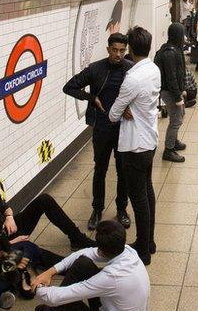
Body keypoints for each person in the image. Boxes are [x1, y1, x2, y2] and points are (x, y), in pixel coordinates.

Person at [7, 220, 149, 311]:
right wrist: (50, 272)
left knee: (65, 302)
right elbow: (83, 253)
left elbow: (54, 297)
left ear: (102, 250)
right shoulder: (128, 251)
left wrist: (33, 283)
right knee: (83, 263)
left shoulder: (112, 277)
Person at [64, 32, 133, 231]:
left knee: (123, 171)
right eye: (114, 50)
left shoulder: (130, 70)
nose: (118, 54)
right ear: (108, 49)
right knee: (100, 170)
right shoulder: (96, 69)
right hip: (102, 129)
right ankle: (97, 210)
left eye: (122, 51)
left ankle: (122, 209)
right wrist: (91, 98)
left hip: (123, 129)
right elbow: (69, 87)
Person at [0, 158, 95, 258]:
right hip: (0, 243)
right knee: (37, 253)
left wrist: (9, 217)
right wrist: (12, 242)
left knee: (44, 199)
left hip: (9, 229)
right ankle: (71, 266)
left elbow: (5, 207)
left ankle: (77, 238)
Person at [109, 26, 160, 266]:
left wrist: (124, 109)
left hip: (133, 146)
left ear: (129, 48)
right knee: (147, 192)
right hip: (149, 140)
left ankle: (142, 249)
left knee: (138, 197)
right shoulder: (153, 69)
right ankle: (149, 241)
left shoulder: (132, 78)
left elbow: (112, 113)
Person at [154, 22, 187, 163]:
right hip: (169, 91)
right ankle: (169, 150)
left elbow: (180, 71)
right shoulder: (170, 53)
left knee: (180, 115)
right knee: (176, 119)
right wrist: (177, 97)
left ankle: (174, 140)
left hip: (174, 90)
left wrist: (182, 89)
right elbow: (171, 77)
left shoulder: (174, 49)